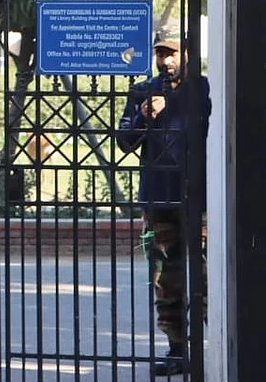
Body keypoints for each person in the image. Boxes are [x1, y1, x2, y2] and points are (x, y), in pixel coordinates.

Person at [116, 33, 211, 377]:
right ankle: (177, 350)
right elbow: (125, 141)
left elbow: (205, 130)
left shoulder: (201, 89)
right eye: (160, 54)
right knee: (165, 278)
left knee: (204, 274)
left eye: (171, 54)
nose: (165, 61)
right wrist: (143, 116)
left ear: (186, 54)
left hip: (198, 199)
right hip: (158, 198)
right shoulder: (143, 90)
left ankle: (207, 345)